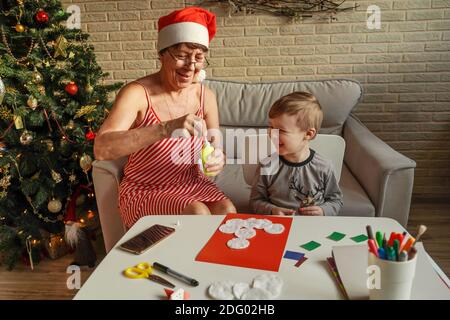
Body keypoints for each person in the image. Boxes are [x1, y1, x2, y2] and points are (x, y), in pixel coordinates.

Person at [94, 7, 236, 228]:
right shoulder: (137, 93)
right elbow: (102, 148)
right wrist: (165, 128)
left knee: (228, 212)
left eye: (199, 58)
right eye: (181, 56)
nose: (191, 66)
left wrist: (218, 159)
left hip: (192, 184)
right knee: (197, 214)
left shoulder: (205, 97)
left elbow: (215, 147)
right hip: (146, 189)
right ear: (162, 53)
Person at [249, 92, 343, 216]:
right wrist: (271, 210)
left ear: (308, 134)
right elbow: (256, 201)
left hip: (312, 227)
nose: (272, 134)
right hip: (277, 226)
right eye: (271, 127)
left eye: (281, 130)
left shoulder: (324, 167)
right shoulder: (267, 165)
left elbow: (336, 200)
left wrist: (323, 210)